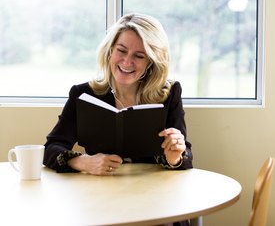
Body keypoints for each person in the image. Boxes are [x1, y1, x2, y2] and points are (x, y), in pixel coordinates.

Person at [43, 13, 193, 176]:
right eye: (121, 51)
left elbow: (186, 157)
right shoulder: (83, 94)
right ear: (110, 51)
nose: (127, 62)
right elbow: (51, 149)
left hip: (151, 191)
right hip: (99, 190)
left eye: (139, 56)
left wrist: (175, 157)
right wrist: (84, 162)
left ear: (150, 62)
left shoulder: (169, 93)